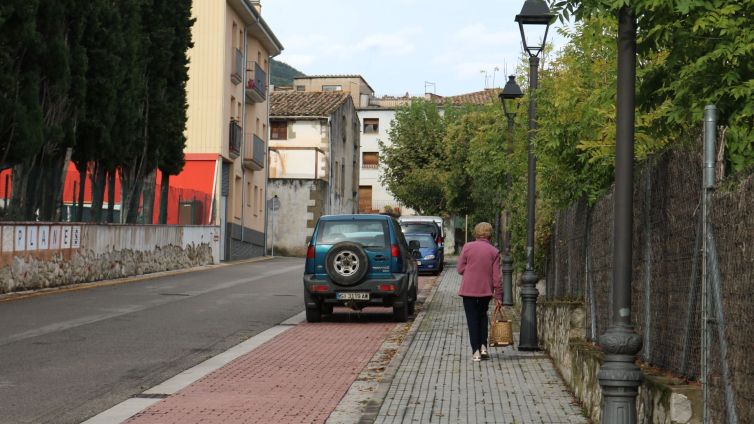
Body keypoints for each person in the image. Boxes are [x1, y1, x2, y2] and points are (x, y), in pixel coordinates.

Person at [457, 222, 502, 361]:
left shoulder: (467, 247)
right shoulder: (494, 251)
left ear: (476, 233)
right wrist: (499, 296)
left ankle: (475, 351)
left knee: (472, 319)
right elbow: (497, 278)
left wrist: (470, 270)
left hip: (468, 290)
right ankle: (483, 347)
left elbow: (460, 269)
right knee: (482, 317)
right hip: (485, 291)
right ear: (490, 234)